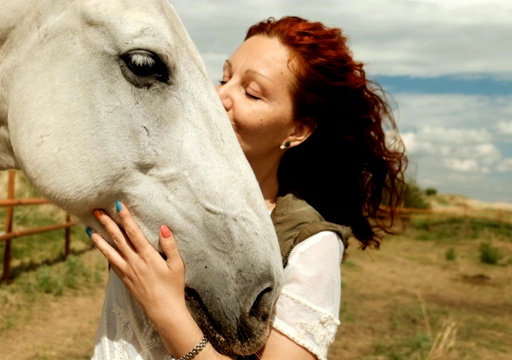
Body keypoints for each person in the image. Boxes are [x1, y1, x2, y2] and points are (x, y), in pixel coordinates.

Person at [88, 16, 407, 360]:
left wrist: (167, 311)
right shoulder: (160, 190)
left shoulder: (310, 242)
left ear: (297, 130)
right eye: (224, 78)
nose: (219, 97)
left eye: (252, 92)